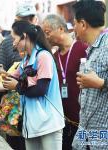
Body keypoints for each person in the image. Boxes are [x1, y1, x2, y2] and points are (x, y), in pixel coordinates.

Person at [2, 20, 65, 150]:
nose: (13, 43)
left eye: (14, 39)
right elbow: (8, 81)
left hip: (49, 124)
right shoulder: (25, 61)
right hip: (31, 125)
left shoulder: (43, 56)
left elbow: (41, 90)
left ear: (24, 36)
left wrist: (17, 87)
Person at [0, 3, 38, 150]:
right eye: (21, 19)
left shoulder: (43, 41)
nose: (25, 23)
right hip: (14, 109)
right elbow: (0, 76)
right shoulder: (9, 41)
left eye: (28, 19)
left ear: (34, 19)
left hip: (37, 109)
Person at [41, 14, 88, 150]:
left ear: (61, 29)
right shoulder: (53, 57)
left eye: (47, 32)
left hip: (82, 119)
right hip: (61, 120)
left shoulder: (83, 49)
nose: (45, 36)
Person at [72, 1, 108, 150]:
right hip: (86, 130)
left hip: (102, 133)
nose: (73, 28)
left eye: (74, 23)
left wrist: (100, 83)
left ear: (82, 24)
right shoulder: (92, 48)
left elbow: (99, 83)